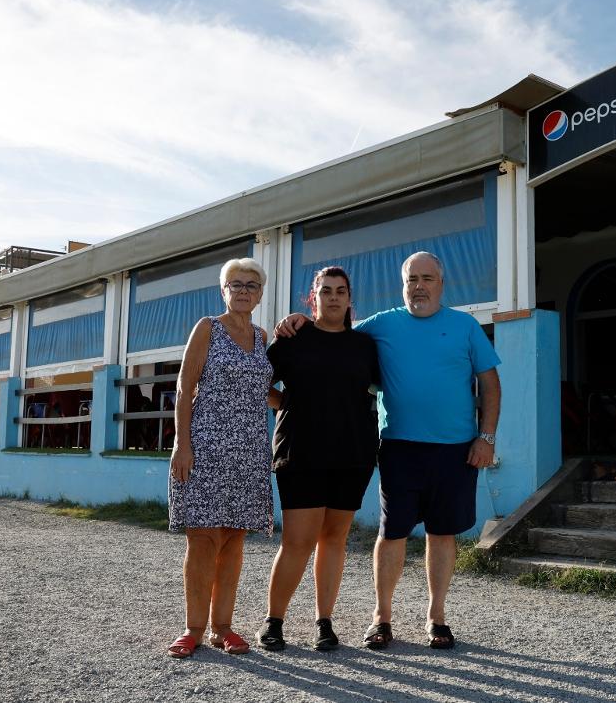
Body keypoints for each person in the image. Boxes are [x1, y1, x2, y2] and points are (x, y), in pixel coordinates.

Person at [275, 251, 500, 651]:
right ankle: (381, 618)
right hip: (398, 446)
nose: (419, 286)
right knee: (391, 532)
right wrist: (300, 321)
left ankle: (437, 618)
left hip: (456, 449)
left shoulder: (465, 326)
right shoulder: (381, 325)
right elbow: (333, 333)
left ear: (441, 284)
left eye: (427, 278)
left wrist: (487, 437)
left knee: (442, 533)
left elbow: (490, 383)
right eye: (412, 279)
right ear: (403, 284)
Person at [256, 266, 380, 652]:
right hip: (301, 452)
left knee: (334, 540)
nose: (333, 297)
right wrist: (285, 404)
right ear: (314, 297)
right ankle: (273, 621)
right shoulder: (294, 338)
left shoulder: (363, 345)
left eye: (341, 291)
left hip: (353, 453)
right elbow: (258, 381)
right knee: (298, 541)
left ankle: (324, 623)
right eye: (325, 291)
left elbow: (378, 387)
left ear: (349, 298)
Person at [165, 258, 274, 658]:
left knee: (233, 540)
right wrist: (183, 443)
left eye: (251, 284)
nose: (243, 290)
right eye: (235, 284)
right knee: (203, 537)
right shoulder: (208, 328)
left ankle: (223, 627)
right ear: (223, 291)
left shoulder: (262, 338)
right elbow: (183, 387)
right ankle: (193, 628)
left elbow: (264, 392)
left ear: (260, 294)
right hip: (206, 446)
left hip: (248, 451)